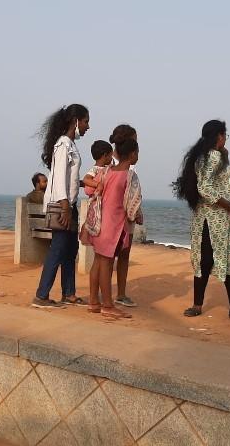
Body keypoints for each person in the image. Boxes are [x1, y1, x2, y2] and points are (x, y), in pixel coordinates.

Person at [174, 120, 230, 321]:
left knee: (217, 261)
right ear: (218, 136)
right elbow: (205, 188)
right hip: (212, 218)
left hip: (221, 219)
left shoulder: (211, 156)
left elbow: (220, 186)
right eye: (224, 135)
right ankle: (209, 305)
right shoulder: (211, 157)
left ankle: (228, 306)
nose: (225, 139)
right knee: (207, 261)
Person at [33, 104, 90, 309]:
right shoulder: (63, 145)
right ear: (76, 121)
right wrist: (65, 207)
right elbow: (58, 180)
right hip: (62, 205)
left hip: (69, 204)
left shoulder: (70, 145)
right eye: (85, 121)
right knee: (57, 250)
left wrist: (83, 183)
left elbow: (69, 178)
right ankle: (41, 295)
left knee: (69, 250)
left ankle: (69, 293)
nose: (87, 126)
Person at [83, 129, 142, 318]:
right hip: (114, 226)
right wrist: (136, 215)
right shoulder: (130, 175)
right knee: (107, 264)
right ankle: (107, 305)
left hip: (99, 223)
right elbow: (131, 205)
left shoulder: (106, 171)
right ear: (133, 154)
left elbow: (91, 189)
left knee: (98, 263)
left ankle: (94, 302)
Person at [109, 125, 142, 308]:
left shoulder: (127, 166)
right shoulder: (112, 164)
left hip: (125, 218)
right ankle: (109, 294)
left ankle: (120, 293)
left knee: (123, 255)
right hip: (116, 219)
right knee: (109, 257)